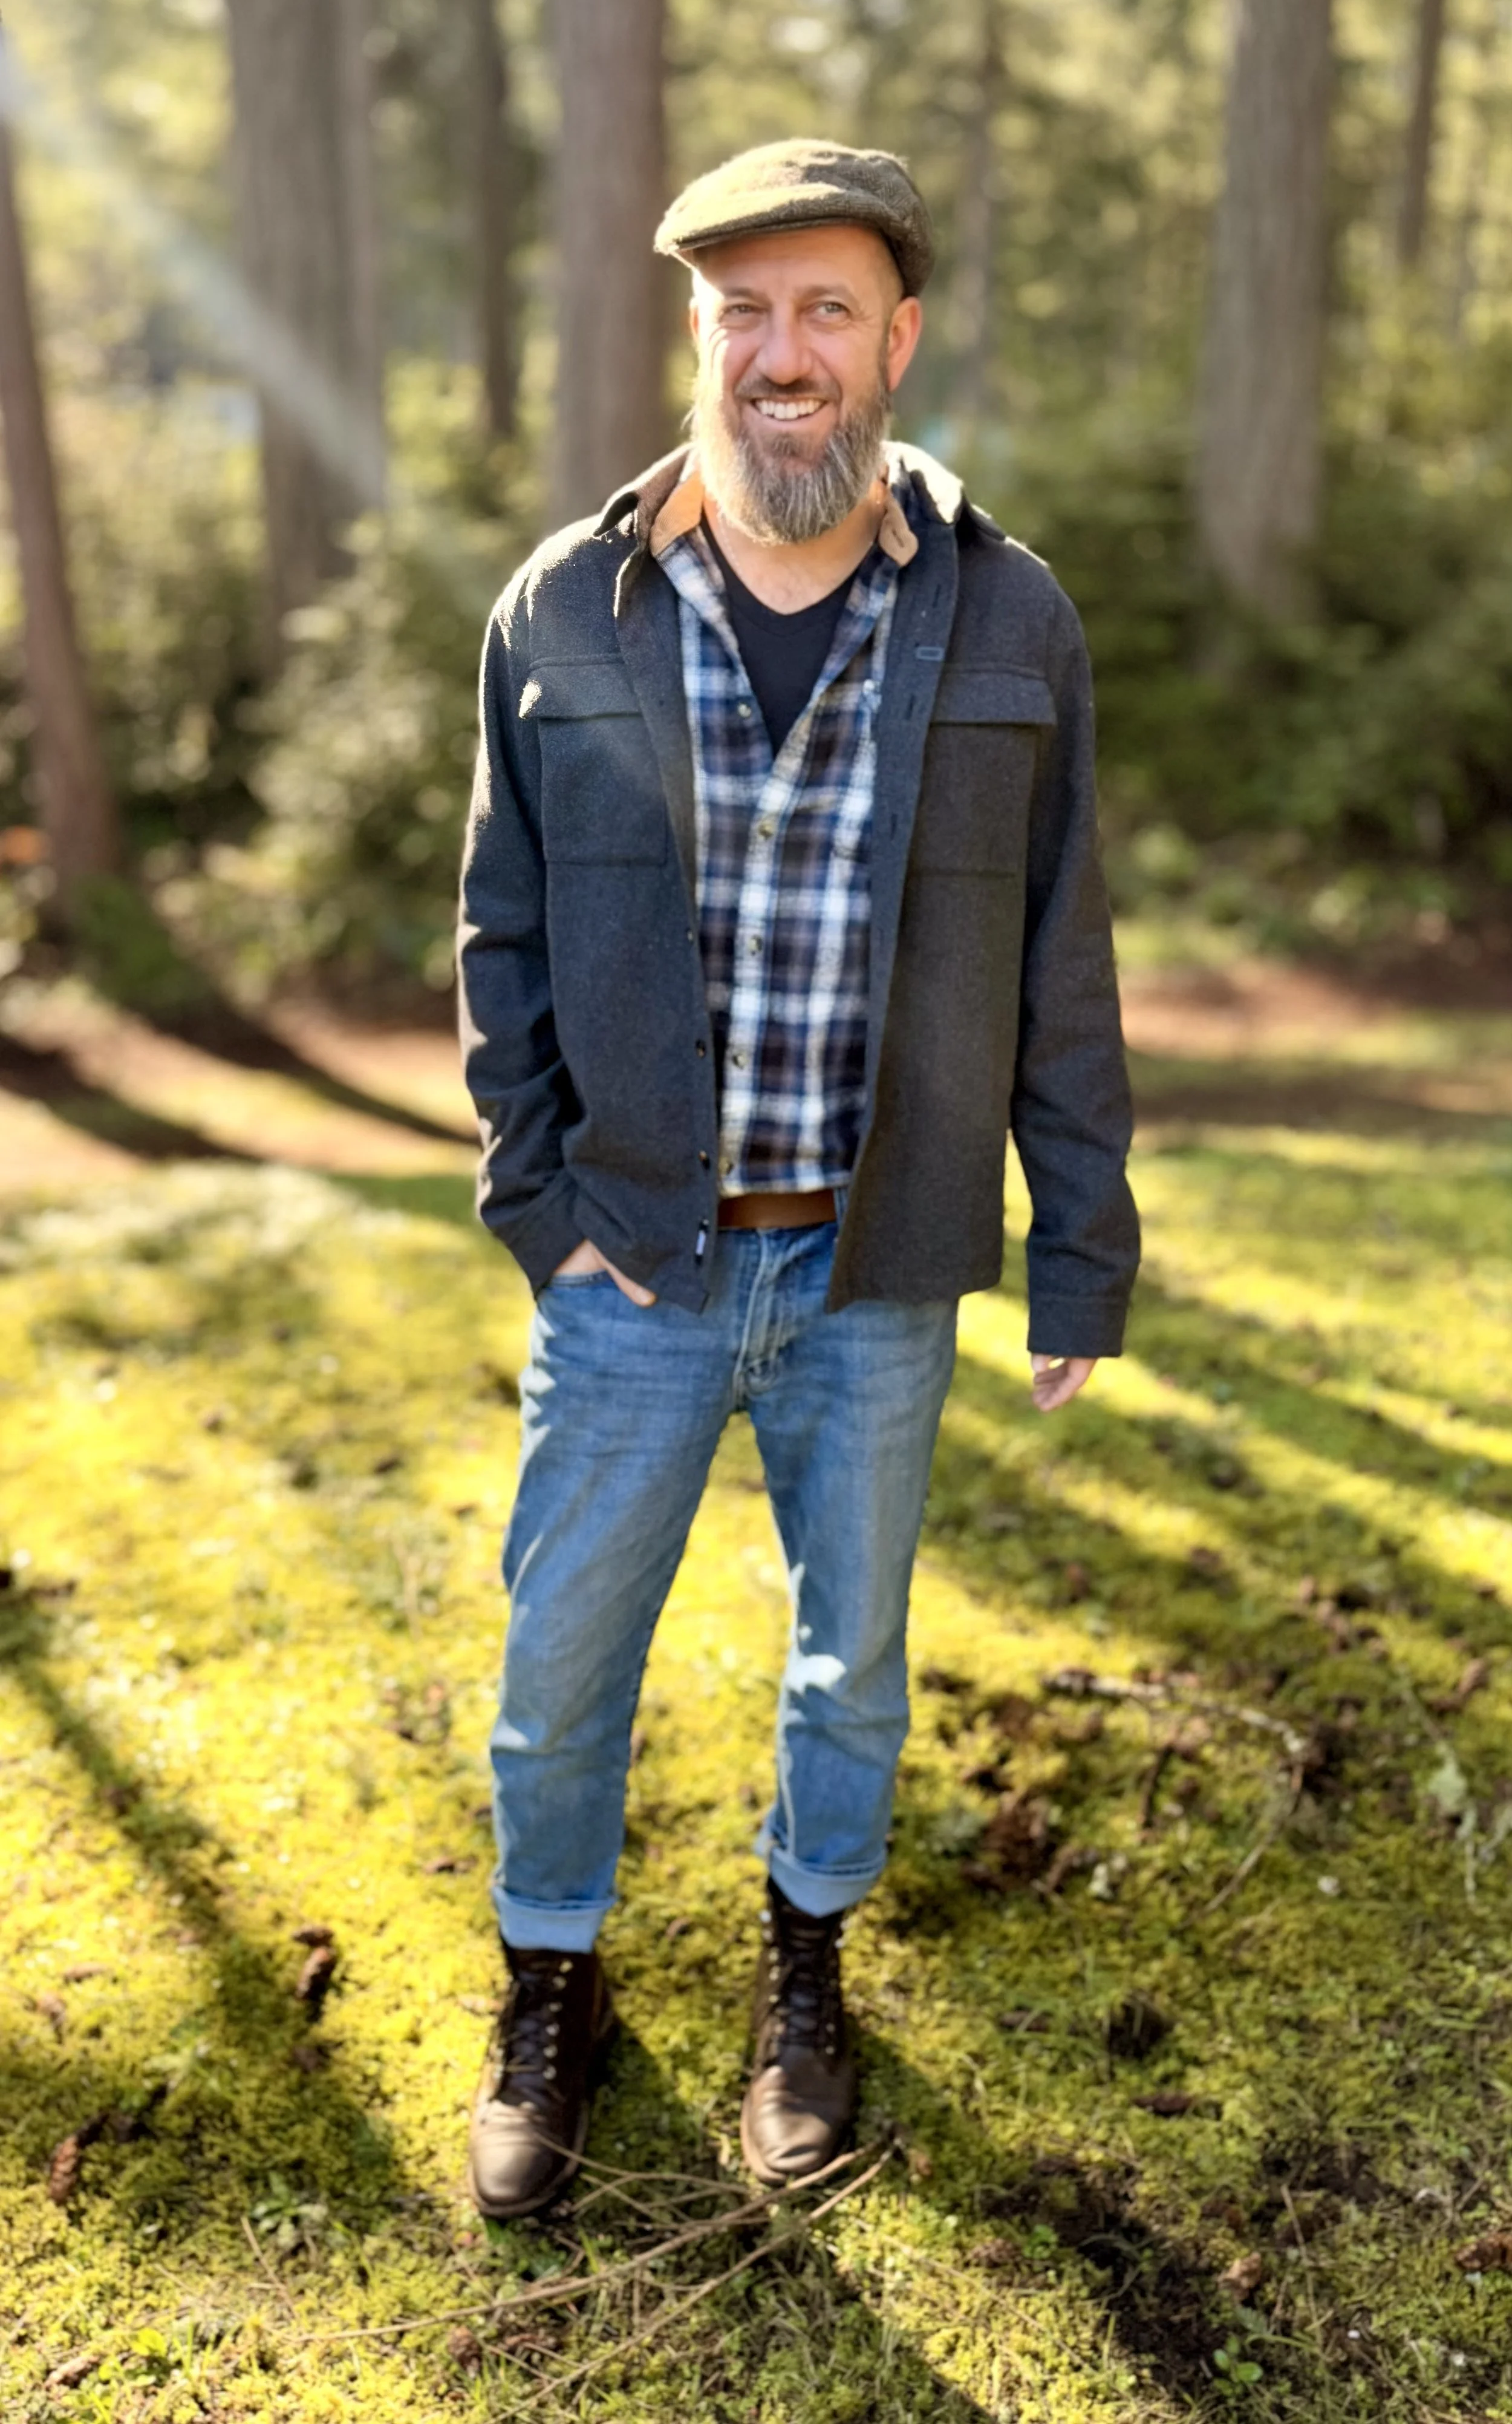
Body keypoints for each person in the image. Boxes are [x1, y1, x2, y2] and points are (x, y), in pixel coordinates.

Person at [457, 138, 1139, 2218]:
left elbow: (1059, 948)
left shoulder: (1006, 611)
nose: (780, 353)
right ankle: (548, 1980)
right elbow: (498, 932)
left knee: (852, 1654)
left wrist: (1077, 1250)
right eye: (738, 312)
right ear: (698, 341)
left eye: (822, 308)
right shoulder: (567, 603)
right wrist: (544, 1204)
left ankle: (804, 1975)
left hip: (878, 1269)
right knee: (565, 1654)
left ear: (896, 337)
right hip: (636, 1268)